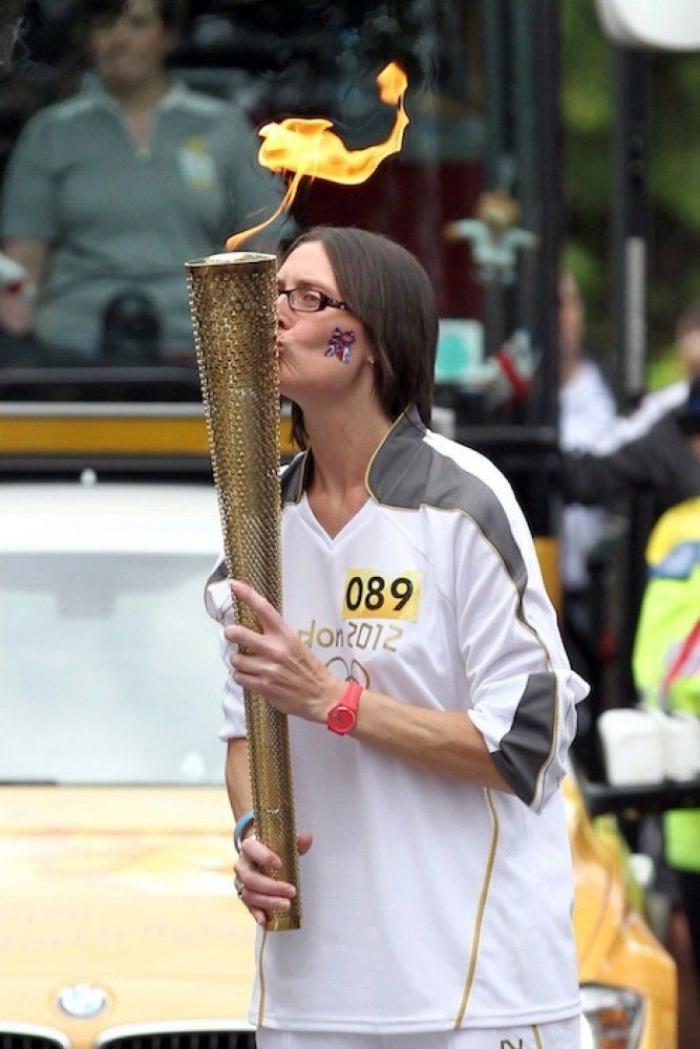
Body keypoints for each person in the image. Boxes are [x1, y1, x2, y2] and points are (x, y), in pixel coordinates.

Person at [204, 226, 589, 1048]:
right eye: (274, 294)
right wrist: (252, 831)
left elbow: (528, 741)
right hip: (311, 998)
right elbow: (244, 730)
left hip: (475, 988)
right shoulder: (259, 521)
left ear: (372, 339)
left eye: (308, 298)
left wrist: (333, 700)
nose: (275, 315)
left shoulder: (461, 503)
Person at [0, 0, 290, 361]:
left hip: (201, 345)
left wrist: (256, 342)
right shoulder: (51, 131)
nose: (119, 39)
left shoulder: (223, 126)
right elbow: (24, 261)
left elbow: (265, 246)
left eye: (137, 24)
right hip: (70, 345)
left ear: (168, 37)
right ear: (91, 39)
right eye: (106, 26)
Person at [557, 274, 616, 676]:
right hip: (536, 589)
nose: (563, 317)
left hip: (593, 591)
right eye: (554, 304)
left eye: (570, 303)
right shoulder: (510, 403)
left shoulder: (610, 388)